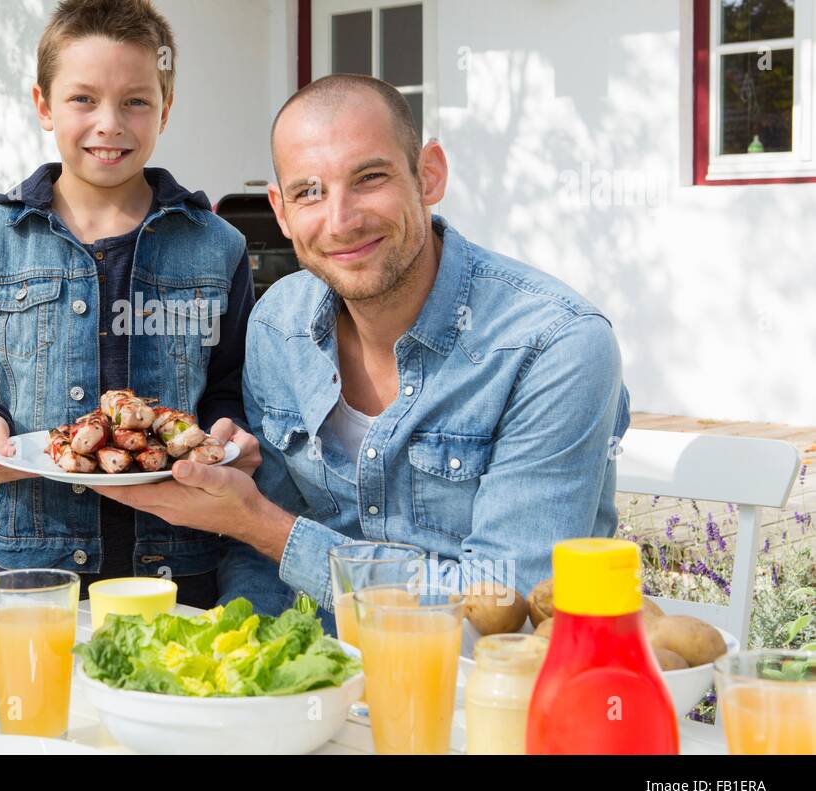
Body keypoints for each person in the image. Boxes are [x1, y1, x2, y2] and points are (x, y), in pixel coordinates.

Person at [94, 73, 631, 626]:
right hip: (325, 692)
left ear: (429, 175)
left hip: (491, 698)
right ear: (280, 210)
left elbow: (502, 608)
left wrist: (257, 522)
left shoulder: (553, 344)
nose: (341, 220)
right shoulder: (279, 326)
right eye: (309, 192)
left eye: (369, 178)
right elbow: (256, 565)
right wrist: (241, 666)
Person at [0, 0, 260, 606]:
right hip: (36, 570)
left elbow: (230, 386)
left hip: (180, 565)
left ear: (165, 107)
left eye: (135, 101)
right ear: (44, 104)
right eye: (83, 98)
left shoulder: (217, 246)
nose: (109, 124)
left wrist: (231, 432)